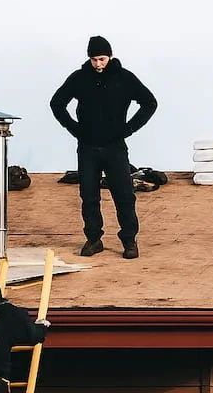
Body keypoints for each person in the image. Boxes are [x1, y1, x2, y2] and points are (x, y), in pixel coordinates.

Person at [49, 35, 158, 259]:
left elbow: (150, 102)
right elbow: (57, 103)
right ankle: (93, 239)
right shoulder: (79, 78)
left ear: (110, 56)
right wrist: (74, 128)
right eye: (93, 60)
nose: (98, 64)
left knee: (124, 194)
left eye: (101, 59)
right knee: (89, 195)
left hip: (115, 146)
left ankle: (129, 240)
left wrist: (128, 129)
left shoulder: (124, 78)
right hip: (87, 147)